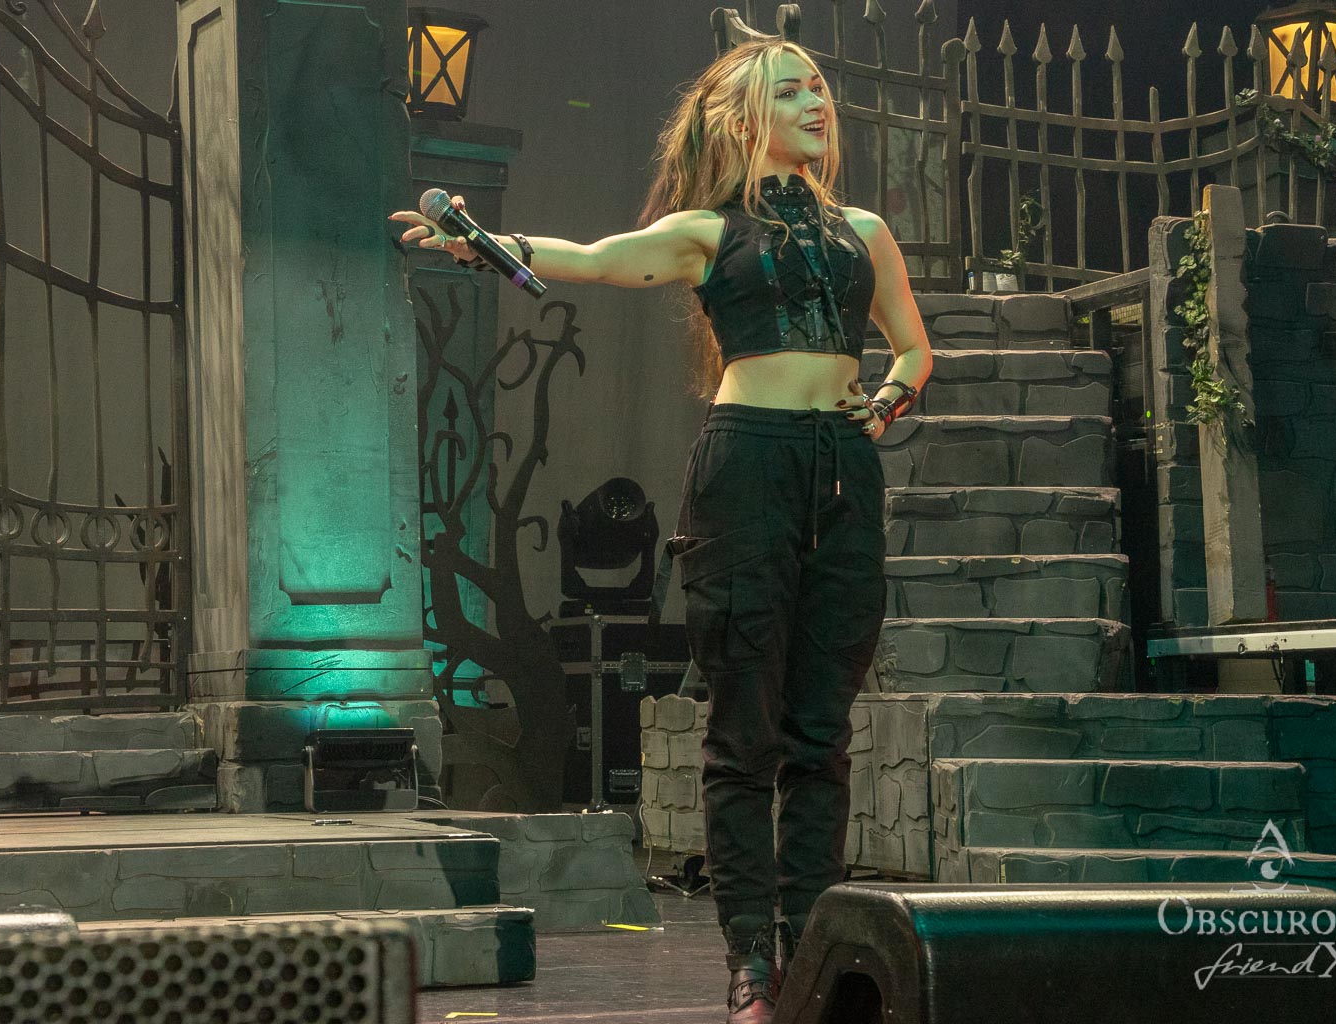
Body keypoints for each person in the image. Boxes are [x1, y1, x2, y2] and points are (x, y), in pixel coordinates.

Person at [393, 37, 932, 1024]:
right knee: (744, 732)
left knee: (822, 735)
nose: (817, 102)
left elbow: (912, 347)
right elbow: (598, 260)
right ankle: (753, 965)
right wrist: (487, 244)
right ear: (744, 117)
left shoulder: (866, 230)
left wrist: (887, 403)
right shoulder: (707, 231)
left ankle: (815, 951)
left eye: (819, 87)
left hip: (843, 477)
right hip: (749, 467)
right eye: (791, 91)